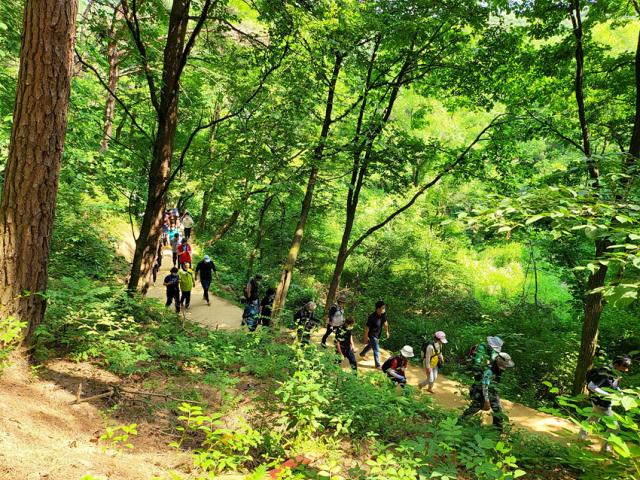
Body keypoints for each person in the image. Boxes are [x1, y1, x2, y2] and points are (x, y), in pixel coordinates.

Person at [578, 356, 632, 452]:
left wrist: (620, 392)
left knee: (594, 418)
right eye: (625, 366)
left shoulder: (615, 373)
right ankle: (605, 448)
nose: (626, 370)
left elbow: (613, 386)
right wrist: (607, 395)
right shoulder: (604, 372)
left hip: (602, 402)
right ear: (616, 365)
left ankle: (581, 436)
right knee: (615, 428)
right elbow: (591, 386)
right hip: (601, 403)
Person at [461, 352, 515, 432]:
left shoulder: (499, 370)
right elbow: (484, 386)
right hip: (481, 393)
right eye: (505, 364)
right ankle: (459, 423)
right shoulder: (489, 371)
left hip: (492, 392)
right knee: (473, 409)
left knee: (498, 411)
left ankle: (498, 431)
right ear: (500, 362)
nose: (506, 366)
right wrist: (486, 401)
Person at [359, 300, 390, 369]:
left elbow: (385, 323)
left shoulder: (383, 315)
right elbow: (367, 328)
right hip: (372, 335)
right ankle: (378, 365)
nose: (384, 309)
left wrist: (387, 331)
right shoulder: (371, 317)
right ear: (378, 309)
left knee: (370, 345)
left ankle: (362, 354)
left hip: (378, 334)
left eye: (384, 308)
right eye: (382, 308)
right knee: (376, 349)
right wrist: (366, 337)